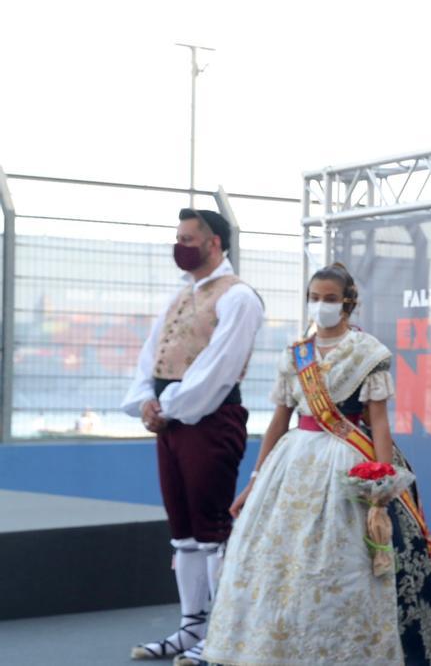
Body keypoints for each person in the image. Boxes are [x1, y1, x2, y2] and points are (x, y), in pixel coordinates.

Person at [202, 263, 431, 666]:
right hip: (292, 463)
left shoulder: (368, 353)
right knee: (278, 567)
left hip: (350, 462)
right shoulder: (295, 354)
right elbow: (279, 421)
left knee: (347, 565)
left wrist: (382, 482)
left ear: (348, 302)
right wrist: (255, 479)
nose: (321, 305)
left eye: (330, 298)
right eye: (314, 298)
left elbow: (379, 422)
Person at [121, 208, 263, 663]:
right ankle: (190, 627)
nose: (180, 246)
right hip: (172, 421)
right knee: (182, 528)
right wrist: (146, 401)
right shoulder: (181, 294)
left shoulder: (238, 297)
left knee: (211, 527)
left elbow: (219, 368)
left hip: (210, 420)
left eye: (188, 238)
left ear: (214, 243)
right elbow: (152, 356)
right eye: (178, 237)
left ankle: (221, 633)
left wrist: (169, 407)